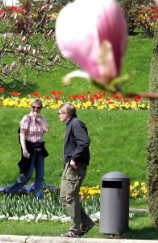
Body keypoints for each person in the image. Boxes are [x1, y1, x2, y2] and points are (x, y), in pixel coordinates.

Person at [58, 102, 93, 238]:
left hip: (75, 165)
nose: (59, 116)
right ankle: (86, 223)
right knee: (64, 195)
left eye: (60, 113)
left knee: (70, 195)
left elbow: (84, 141)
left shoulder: (76, 124)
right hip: (69, 165)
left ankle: (75, 230)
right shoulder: (71, 124)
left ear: (66, 114)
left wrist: (74, 158)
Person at [4, 98, 49, 198]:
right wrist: (24, 149)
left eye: (38, 108)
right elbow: (22, 134)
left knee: (40, 175)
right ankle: (10, 192)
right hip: (29, 147)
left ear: (41, 108)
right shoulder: (26, 118)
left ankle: (39, 197)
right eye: (34, 107)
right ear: (31, 107)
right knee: (27, 175)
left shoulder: (42, 119)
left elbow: (46, 129)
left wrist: (38, 121)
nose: (35, 110)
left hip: (40, 148)